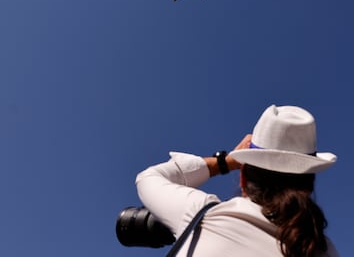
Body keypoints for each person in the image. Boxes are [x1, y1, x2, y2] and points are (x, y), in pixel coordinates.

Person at [136, 104, 339, 257]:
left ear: (243, 178)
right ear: (309, 186)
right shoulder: (326, 250)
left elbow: (149, 178)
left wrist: (226, 161)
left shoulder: (204, 215)